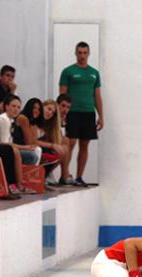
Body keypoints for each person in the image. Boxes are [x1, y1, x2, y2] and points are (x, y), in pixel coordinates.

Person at [59, 41, 104, 187]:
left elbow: (97, 96)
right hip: (73, 112)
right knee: (70, 143)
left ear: (88, 54)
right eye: (79, 53)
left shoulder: (94, 73)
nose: (82, 56)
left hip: (88, 112)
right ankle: (64, 175)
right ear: (75, 53)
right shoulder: (68, 71)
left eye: (85, 53)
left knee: (85, 145)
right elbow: (62, 95)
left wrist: (101, 116)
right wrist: (62, 114)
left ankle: (79, 176)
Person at [0, 94, 41, 167]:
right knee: (32, 155)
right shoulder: (4, 120)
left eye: (18, 107)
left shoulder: (11, 120)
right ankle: (25, 176)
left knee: (36, 150)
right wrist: (25, 147)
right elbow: (5, 143)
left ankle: (29, 175)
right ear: (7, 107)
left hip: (5, 148)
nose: (16, 109)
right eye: (13, 106)